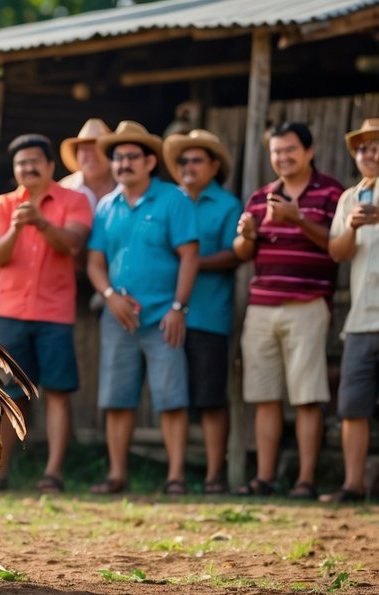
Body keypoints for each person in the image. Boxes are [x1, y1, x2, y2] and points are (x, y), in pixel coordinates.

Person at [86, 121, 199, 496]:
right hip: (118, 318)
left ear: (151, 161)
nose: (123, 164)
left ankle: (176, 477)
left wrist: (178, 307)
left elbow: (189, 256)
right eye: (117, 157)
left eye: (132, 156)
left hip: (164, 317)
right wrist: (108, 295)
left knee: (171, 399)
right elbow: (94, 262)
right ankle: (117, 475)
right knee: (117, 399)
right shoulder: (106, 206)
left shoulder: (174, 200)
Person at [233, 122, 344, 499]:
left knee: (307, 397)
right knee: (264, 396)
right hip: (261, 306)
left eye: (290, 150)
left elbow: (339, 247)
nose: (282, 157)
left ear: (309, 152)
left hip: (307, 306)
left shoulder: (332, 193)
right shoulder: (261, 196)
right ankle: (265, 478)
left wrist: (298, 219)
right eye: (276, 151)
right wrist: (246, 235)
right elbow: (243, 253)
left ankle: (306, 480)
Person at [0, 134, 92, 492]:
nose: (28, 168)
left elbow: (74, 245)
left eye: (35, 162)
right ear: (15, 170)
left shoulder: (74, 201)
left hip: (54, 314)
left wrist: (43, 223)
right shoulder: (3, 205)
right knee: (9, 395)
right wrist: (18, 226)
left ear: (50, 166)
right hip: (11, 312)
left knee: (58, 393)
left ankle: (53, 473)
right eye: (21, 164)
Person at [162, 130, 241, 494]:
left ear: (214, 166)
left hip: (208, 315)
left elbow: (236, 254)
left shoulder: (227, 205)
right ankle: (175, 475)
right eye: (183, 161)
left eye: (196, 160)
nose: (188, 167)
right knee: (171, 397)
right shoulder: (166, 202)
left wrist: (191, 263)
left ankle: (214, 476)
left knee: (210, 397)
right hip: (164, 317)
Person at [323, 119, 379, 502]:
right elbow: (337, 254)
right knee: (352, 406)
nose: (369, 154)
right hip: (360, 318)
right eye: (362, 148)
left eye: (376, 146)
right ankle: (353, 485)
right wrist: (353, 229)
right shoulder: (349, 198)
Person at [59, 119, 117, 211]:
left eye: (97, 148)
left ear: (111, 154)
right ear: (76, 154)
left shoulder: (126, 187)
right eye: (84, 149)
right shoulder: (63, 189)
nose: (91, 155)